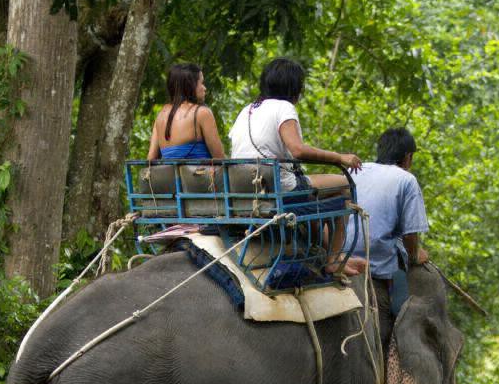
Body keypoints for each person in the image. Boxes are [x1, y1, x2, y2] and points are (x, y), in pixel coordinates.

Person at [229, 58, 364, 275]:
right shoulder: (284, 107)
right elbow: (298, 150)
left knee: (314, 184)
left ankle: (318, 244)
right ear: (295, 87)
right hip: (279, 189)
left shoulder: (247, 110)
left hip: (246, 187)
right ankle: (334, 259)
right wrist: (339, 157)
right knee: (345, 185)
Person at [348, 127, 429, 317]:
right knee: (406, 311)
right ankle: (396, 342)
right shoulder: (407, 180)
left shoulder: (355, 170)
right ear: (408, 157)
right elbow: (410, 234)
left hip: (342, 256)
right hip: (373, 264)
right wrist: (415, 254)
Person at [147, 63, 225, 160]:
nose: (205, 88)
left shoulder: (161, 115)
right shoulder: (202, 113)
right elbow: (220, 158)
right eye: (202, 83)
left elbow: (151, 158)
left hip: (170, 175)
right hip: (198, 174)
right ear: (190, 85)